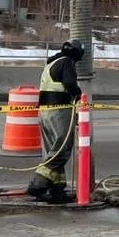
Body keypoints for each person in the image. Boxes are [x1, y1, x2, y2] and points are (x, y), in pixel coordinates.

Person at [28, 40, 84, 203]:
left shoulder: (52, 63)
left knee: (52, 148)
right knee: (63, 148)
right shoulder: (67, 62)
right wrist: (78, 93)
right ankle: (38, 183)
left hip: (44, 111)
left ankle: (57, 189)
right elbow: (69, 84)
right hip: (59, 110)